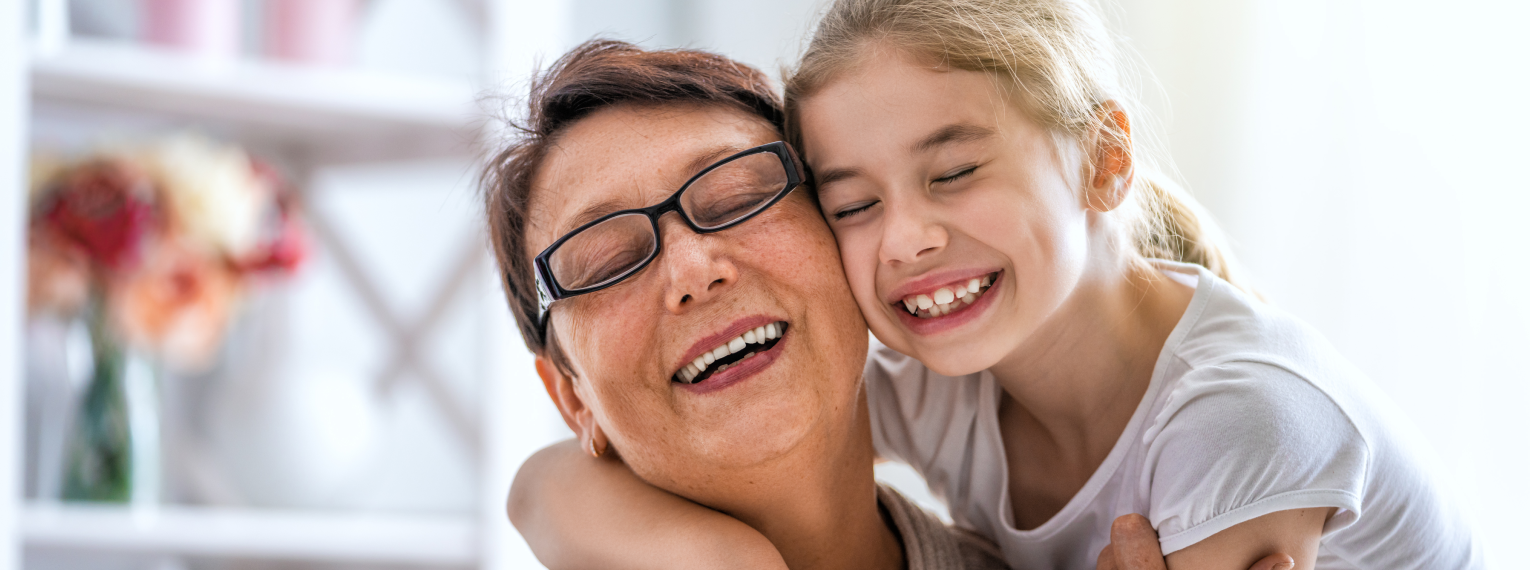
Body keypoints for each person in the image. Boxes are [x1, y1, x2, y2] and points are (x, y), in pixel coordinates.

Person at [513, 1, 1482, 569]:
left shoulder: (1243, 419)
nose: (908, 238)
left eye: (954, 171)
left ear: (1105, 161)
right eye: (854, 202)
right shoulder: (957, 383)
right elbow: (539, 485)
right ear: (569, 396)